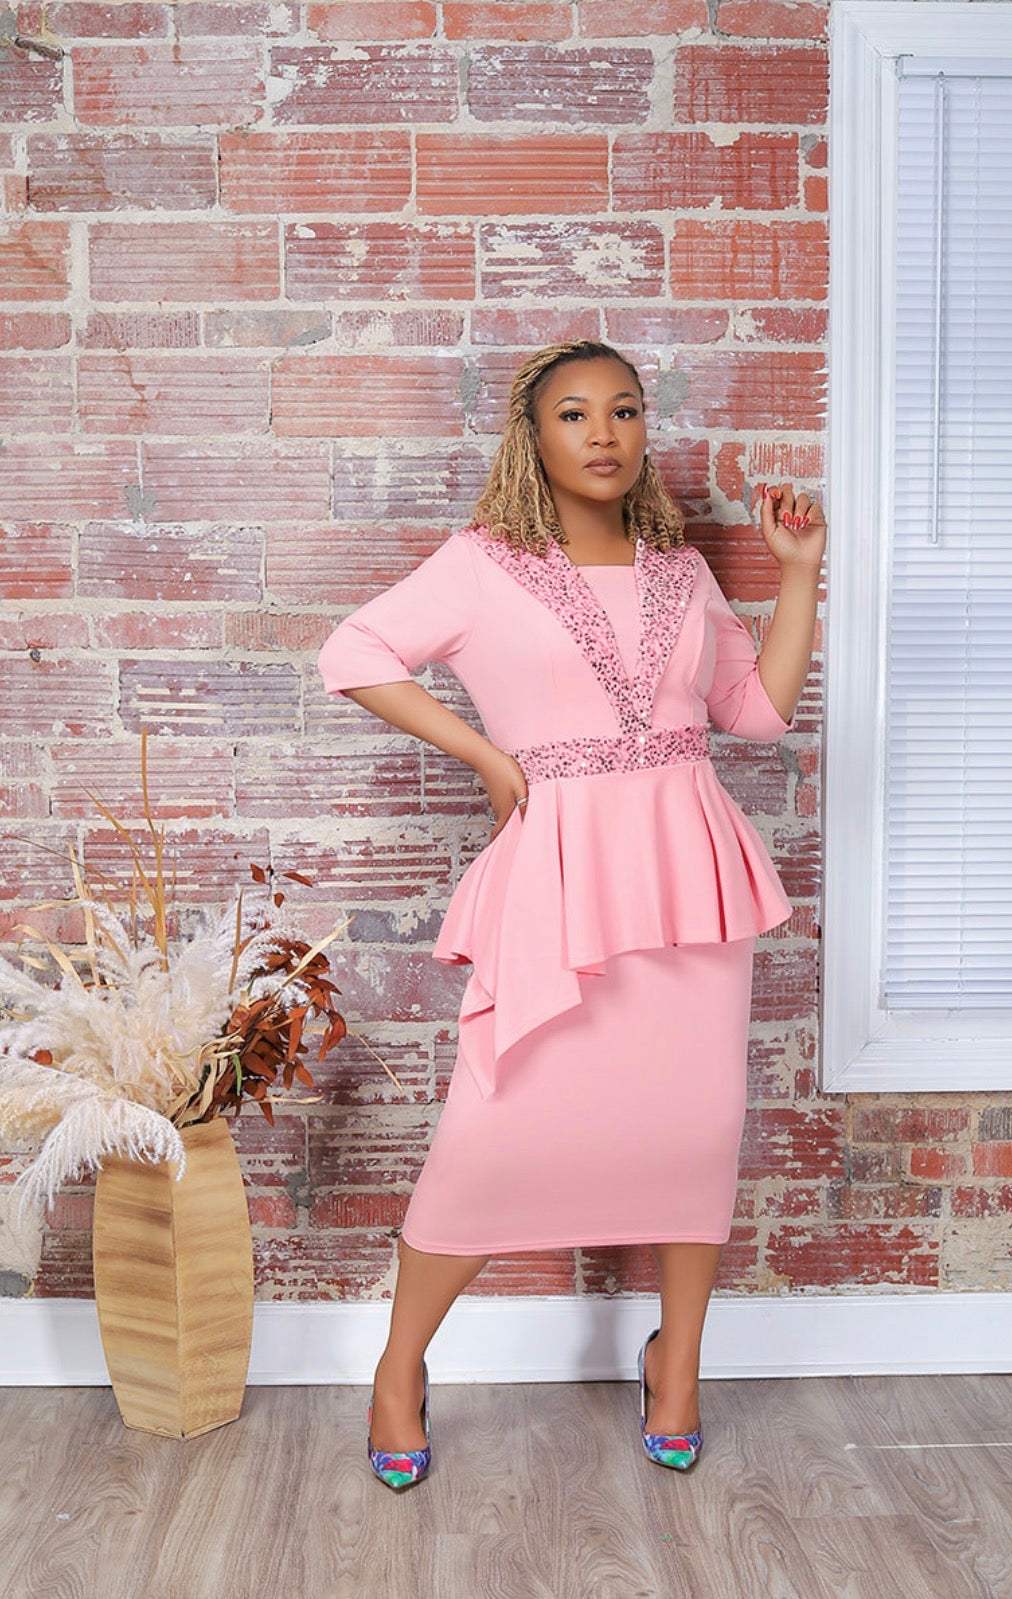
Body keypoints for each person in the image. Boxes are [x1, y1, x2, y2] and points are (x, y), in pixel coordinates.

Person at [317, 337, 825, 1488]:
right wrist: (488, 759)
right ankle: (398, 1369)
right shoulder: (480, 563)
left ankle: (677, 1365)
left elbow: (755, 714)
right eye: (575, 413)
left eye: (625, 410)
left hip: (688, 877)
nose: (604, 432)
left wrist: (797, 571)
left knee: (693, 1131)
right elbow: (353, 651)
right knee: (491, 1136)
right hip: (559, 876)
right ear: (532, 436)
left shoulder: (679, 569)